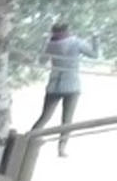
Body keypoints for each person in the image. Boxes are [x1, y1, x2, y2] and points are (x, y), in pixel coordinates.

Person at [33, 22, 97, 156]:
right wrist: (95, 38)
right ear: (67, 30)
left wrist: (44, 42)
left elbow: (41, 61)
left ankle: (28, 140)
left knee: (44, 117)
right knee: (67, 120)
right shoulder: (77, 43)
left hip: (54, 85)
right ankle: (61, 149)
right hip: (72, 85)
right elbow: (94, 55)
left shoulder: (51, 44)